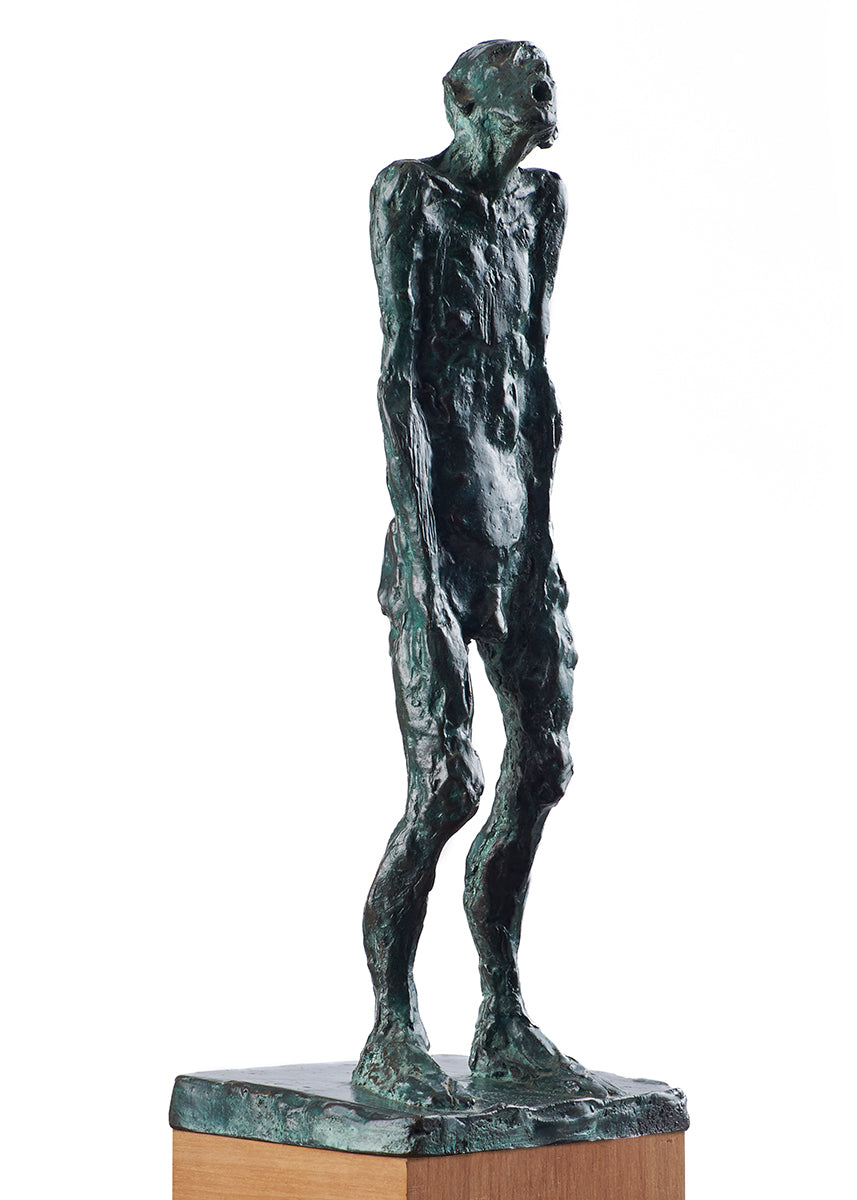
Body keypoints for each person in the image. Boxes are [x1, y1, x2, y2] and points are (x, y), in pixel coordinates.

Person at [353, 40, 607, 1108]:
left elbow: (532, 377)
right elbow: (401, 381)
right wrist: (420, 556)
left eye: (543, 97)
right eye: (516, 97)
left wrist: (538, 543)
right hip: (437, 540)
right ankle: (392, 1027)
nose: (536, 112)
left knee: (541, 766)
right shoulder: (409, 196)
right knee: (446, 786)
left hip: (518, 537)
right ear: (461, 102)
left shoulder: (540, 209)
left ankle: (500, 1017)